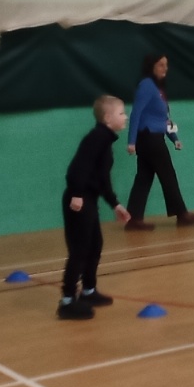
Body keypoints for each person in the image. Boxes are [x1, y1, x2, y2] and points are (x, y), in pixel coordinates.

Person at [59, 96, 133, 321]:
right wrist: (76, 193)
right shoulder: (96, 138)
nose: (126, 117)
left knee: (94, 246)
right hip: (79, 200)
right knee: (80, 250)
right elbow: (76, 168)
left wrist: (115, 203)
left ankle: (88, 291)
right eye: (121, 113)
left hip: (89, 199)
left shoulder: (105, 140)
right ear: (108, 118)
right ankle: (67, 301)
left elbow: (102, 179)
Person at [125, 54, 194, 231]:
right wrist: (131, 141)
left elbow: (164, 119)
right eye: (161, 65)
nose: (165, 68)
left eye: (166, 65)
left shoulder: (158, 89)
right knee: (168, 174)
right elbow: (136, 113)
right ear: (151, 66)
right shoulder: (147, 85)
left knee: (144, 178)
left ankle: (134, 219)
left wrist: (174, 138)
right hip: (149, 137)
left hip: (152, 137)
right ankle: (182, 214)